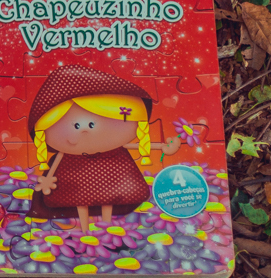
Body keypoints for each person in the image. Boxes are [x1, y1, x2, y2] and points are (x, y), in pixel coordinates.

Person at [29, 65, 180, 233]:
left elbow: (138, 145)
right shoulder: (65, 154)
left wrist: (164, 148)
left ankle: (107, 226)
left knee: (109, 197)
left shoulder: (116, 147)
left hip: (112, 171)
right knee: (80, 201)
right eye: (76, 124)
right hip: (74, 176)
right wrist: (47, 180)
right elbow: (53, 165)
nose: (85, 130)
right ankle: (85, 231)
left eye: (93, 123)